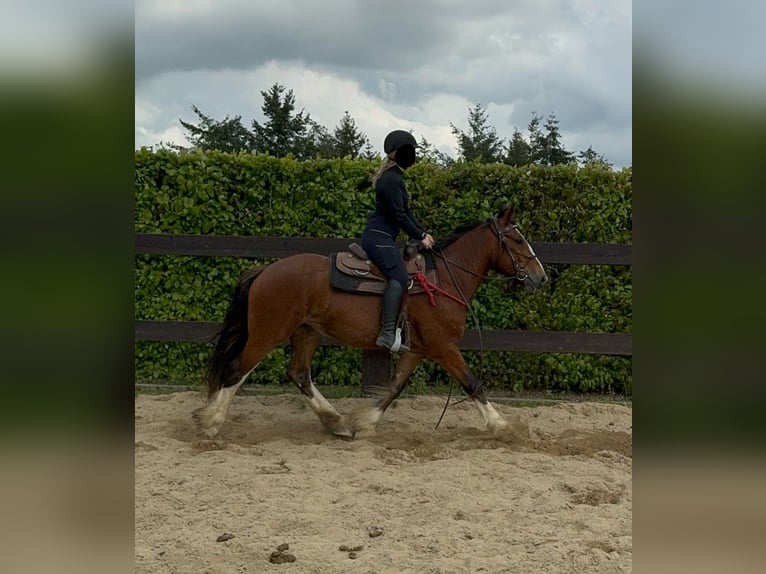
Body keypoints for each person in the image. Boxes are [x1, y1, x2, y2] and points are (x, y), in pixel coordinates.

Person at [361, 130, 435, 352]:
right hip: (378, 238)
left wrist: (423, 234)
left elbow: (407, 212)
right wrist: (421, 236)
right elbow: (398, 216)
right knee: (400, 276)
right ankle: (387, 333)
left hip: (383, 237)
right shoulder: (391, 180)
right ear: (397, 154)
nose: (412, 155)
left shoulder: (396, 178)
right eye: (409, 151)